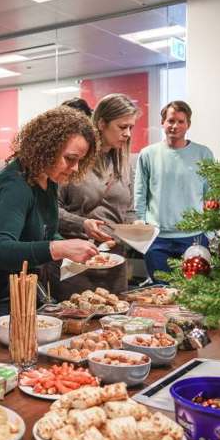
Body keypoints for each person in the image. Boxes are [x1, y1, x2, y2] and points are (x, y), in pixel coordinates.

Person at [0, 106, 100, 327]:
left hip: (18, 281)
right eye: (70, 159)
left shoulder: (48, 180)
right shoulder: (15, 185)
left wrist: (71, 246)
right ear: (47, 147)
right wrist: (59, 249)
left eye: (80, 160)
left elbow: (44, 233)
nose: (74, 167)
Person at [52, 94, 139, 298]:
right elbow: (50, 212)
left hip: (114, 263)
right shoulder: (74, 159)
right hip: (75, 263)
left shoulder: (124, 164)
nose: (127, 133)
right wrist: (82, 223)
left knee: (115, 325)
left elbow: (129, 210)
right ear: (101, 123)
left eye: (131, 128)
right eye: (122, 126)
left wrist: (137, 228)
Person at [134, 100, 213, 282]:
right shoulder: (147, 154)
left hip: (194, 237)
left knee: (195, 293)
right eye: (170, 121)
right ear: (163, 123)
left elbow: (211, 195)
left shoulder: (204, 154)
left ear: (188, 125)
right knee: (160, 294)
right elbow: (140, 193)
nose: (175, 126)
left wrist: (210, 233)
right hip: (157, 239)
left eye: (180, 121)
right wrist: (142, 226)